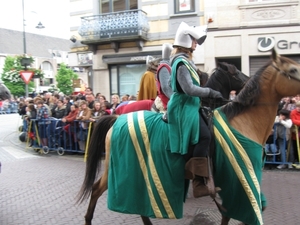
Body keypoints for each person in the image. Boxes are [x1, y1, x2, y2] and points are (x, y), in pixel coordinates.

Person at [167, 22, 223, 198]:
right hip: (184, 106)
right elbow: (189, 89)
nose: (196, 43)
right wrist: (210, 92)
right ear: (185, 41)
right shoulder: (181, 62)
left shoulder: (185, 62)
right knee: (204, 136)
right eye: (193, 40)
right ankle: (198, 183)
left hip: (191, 104)